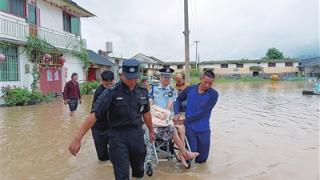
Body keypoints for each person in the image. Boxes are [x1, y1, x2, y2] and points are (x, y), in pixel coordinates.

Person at [69, 59, 154, 180]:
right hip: (117, 137)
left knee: (139, 170)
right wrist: (77, 139)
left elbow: (146, 112)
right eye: (129, 78)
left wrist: (150, 130)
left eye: (135, 78)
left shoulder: (142, 91)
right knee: (122, 175)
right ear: (122, 75)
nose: (132, 82)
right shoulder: (111, 92)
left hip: (137, 134)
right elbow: (94, 115)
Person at [149, 66, 198, 168]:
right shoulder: (153, 88)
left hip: (166, 117)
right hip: (155, 117)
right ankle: (184, 153)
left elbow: (169, 106)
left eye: (168, 77)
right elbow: (151, 104)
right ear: (161, 77)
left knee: (181, 127)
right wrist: (157, 113)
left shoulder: (172, 90)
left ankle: (181, 153)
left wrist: (166, 115)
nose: (166, 79)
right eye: (164, 77)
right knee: (173, 127)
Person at [173, 70, 219, 164]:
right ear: (201, 78)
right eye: (205, 82)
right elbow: (178, 100)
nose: (207, 85)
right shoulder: (190, 89)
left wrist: (186, 118)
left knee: (202, 160)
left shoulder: (213, 94)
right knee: (189, 156)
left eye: (210, 83)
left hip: (204, 129)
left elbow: (203, 112)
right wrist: (177, 113)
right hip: (189, 129)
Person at [91, 70, 114, 161]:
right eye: (106, 84)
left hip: (110, 126)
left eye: (110, 84)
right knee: (102, 157)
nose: (109, 86)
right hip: (99, 126)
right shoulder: (99, 92)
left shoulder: (115, 89)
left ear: (113, 81)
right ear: (102, 81)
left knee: (115, 152)